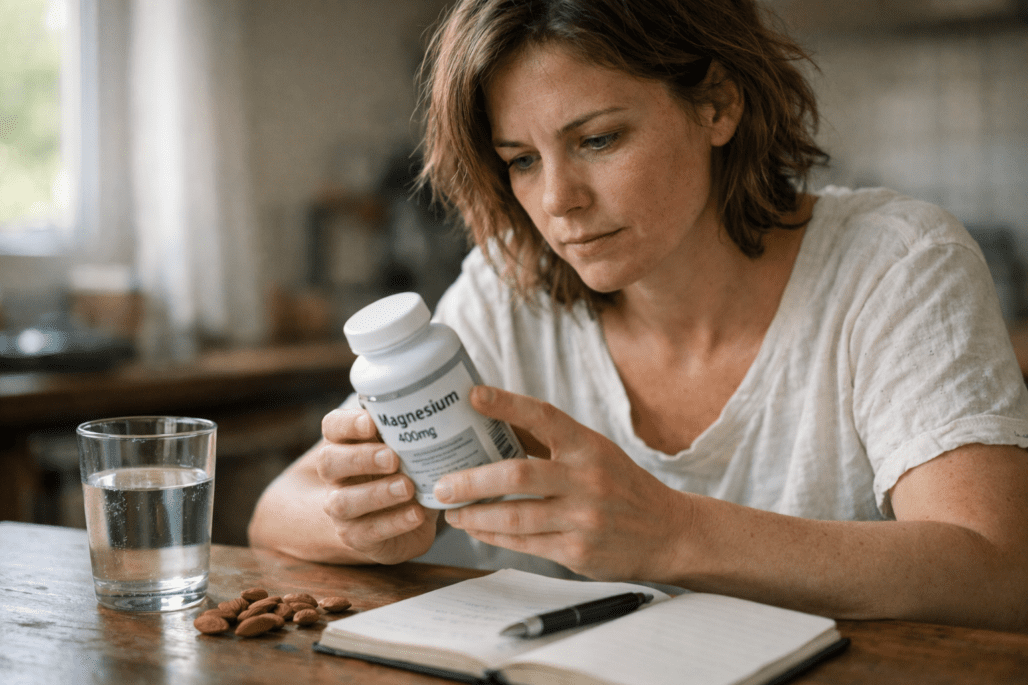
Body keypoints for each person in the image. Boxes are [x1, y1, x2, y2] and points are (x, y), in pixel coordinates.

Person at [249, 0, 1028, 632]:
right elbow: (276, 513)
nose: (557, 202)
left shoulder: (894, 264)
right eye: (521, 158)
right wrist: (365, 521)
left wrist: (672, 530)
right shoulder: (507, 288)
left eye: (597, 139)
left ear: (717, 103)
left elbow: (1001, 572)